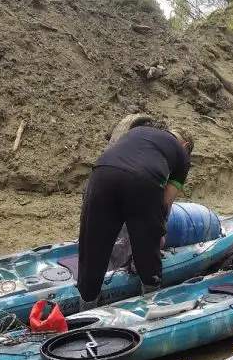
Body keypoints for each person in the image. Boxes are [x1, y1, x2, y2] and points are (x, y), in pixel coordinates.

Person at [76, 124, 194, 309]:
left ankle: (86, 306)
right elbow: (165, 202)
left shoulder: (139, 130)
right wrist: (158, 232)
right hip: (144, 180)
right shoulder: (183, 157)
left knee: (94, 246)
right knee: (147, 247)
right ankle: (151, 299)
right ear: (185, 146)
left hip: (102, 173)